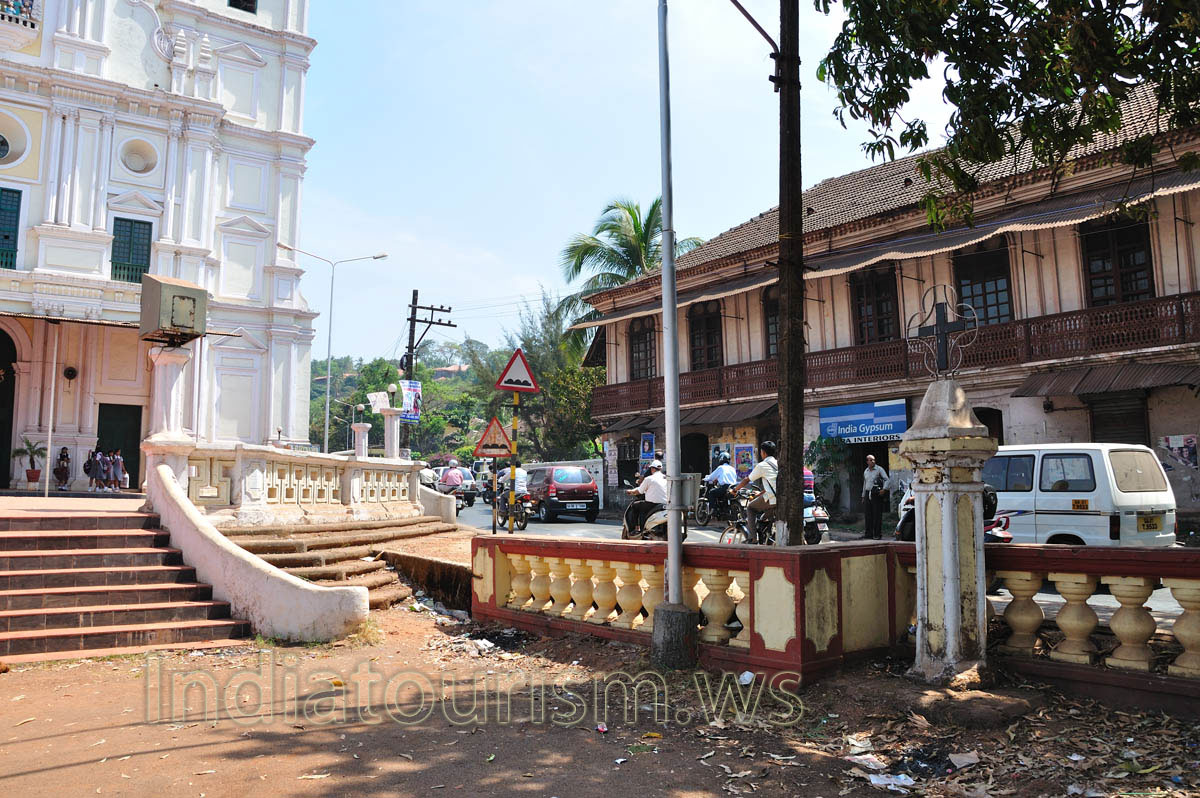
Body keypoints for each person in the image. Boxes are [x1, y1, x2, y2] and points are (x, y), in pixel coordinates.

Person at [731, 441, 779, 540]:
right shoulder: (777, 463)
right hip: (779, 497)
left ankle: (753, 538)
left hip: (772, 498)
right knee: (763, 519)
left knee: (750, 508)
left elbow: (747, 480)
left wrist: (735, 490)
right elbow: (773, 485)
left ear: (763, 453)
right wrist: (758, 494)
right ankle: (766, 537)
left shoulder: (762, 465)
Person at [626, 459, 668, 534]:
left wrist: (631, 492)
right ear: (660, 469)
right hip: (664, 504)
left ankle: (635, 529)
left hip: (652, 504)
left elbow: (639, 491)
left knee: (634, 506)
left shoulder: (649, 479)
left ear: (652, 469)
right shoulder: (666, 478)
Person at [862, 454, 889, 540]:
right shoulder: (866, 471)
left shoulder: (879, 469)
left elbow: (887, 479)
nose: (873, 461)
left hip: (876, 494)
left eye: (873, 460)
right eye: (871, 460)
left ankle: (877, 534)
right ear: (867, 462)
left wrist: (884, 489)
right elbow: (864, 484)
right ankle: (868, 534)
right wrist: (863, 496)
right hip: (867, 493)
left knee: (877, 515)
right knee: (868, 515)